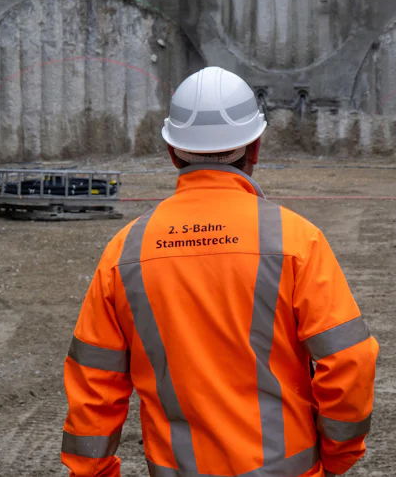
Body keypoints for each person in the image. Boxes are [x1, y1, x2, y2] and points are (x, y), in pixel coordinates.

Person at [61, 66, 379, 477]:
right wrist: (338, 456)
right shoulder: (296, 241)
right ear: (255, 147)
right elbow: (349, 359)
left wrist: (94, 472)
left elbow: (95, 380)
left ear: (173, 152)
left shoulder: (125, 252)